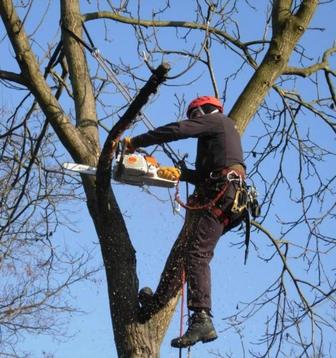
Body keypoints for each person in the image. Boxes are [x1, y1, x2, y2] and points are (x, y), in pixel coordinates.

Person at [124, 96, 246, 348]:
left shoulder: (218, 121)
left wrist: (136, 142)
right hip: (221, 196)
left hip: (223, 195)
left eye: (194, 117)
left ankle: (202, 317)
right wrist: (180, 173)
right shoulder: (218, 143)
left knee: (197, 253)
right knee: (183, 254)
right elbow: (203, 176)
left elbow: (178, 130)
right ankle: (155, 305)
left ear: (203, 111)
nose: (193, 123)